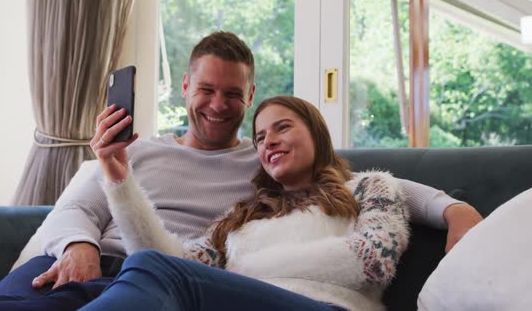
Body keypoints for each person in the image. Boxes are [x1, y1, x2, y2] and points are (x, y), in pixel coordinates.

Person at [0, 31, 482, 309]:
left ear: (248, 96)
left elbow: (376, 189)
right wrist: (77, 242)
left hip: (172, 281)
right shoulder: (139, 154)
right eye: (206, 90)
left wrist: (455, 209)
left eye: (233, 95)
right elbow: (75, 213)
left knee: (152, 271)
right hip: (95, 265)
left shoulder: (273, 171)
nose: (218, 105)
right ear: (185, 87)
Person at [80, 95, 410, 310]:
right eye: (261, 138)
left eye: (283, 128)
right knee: (149, 263)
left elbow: (371, 261)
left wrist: (240, 273)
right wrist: (119, 178)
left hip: (330, 306)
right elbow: (167, 261)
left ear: (316, 134)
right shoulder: (245, 217)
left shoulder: (370, 187)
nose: (270, 141)